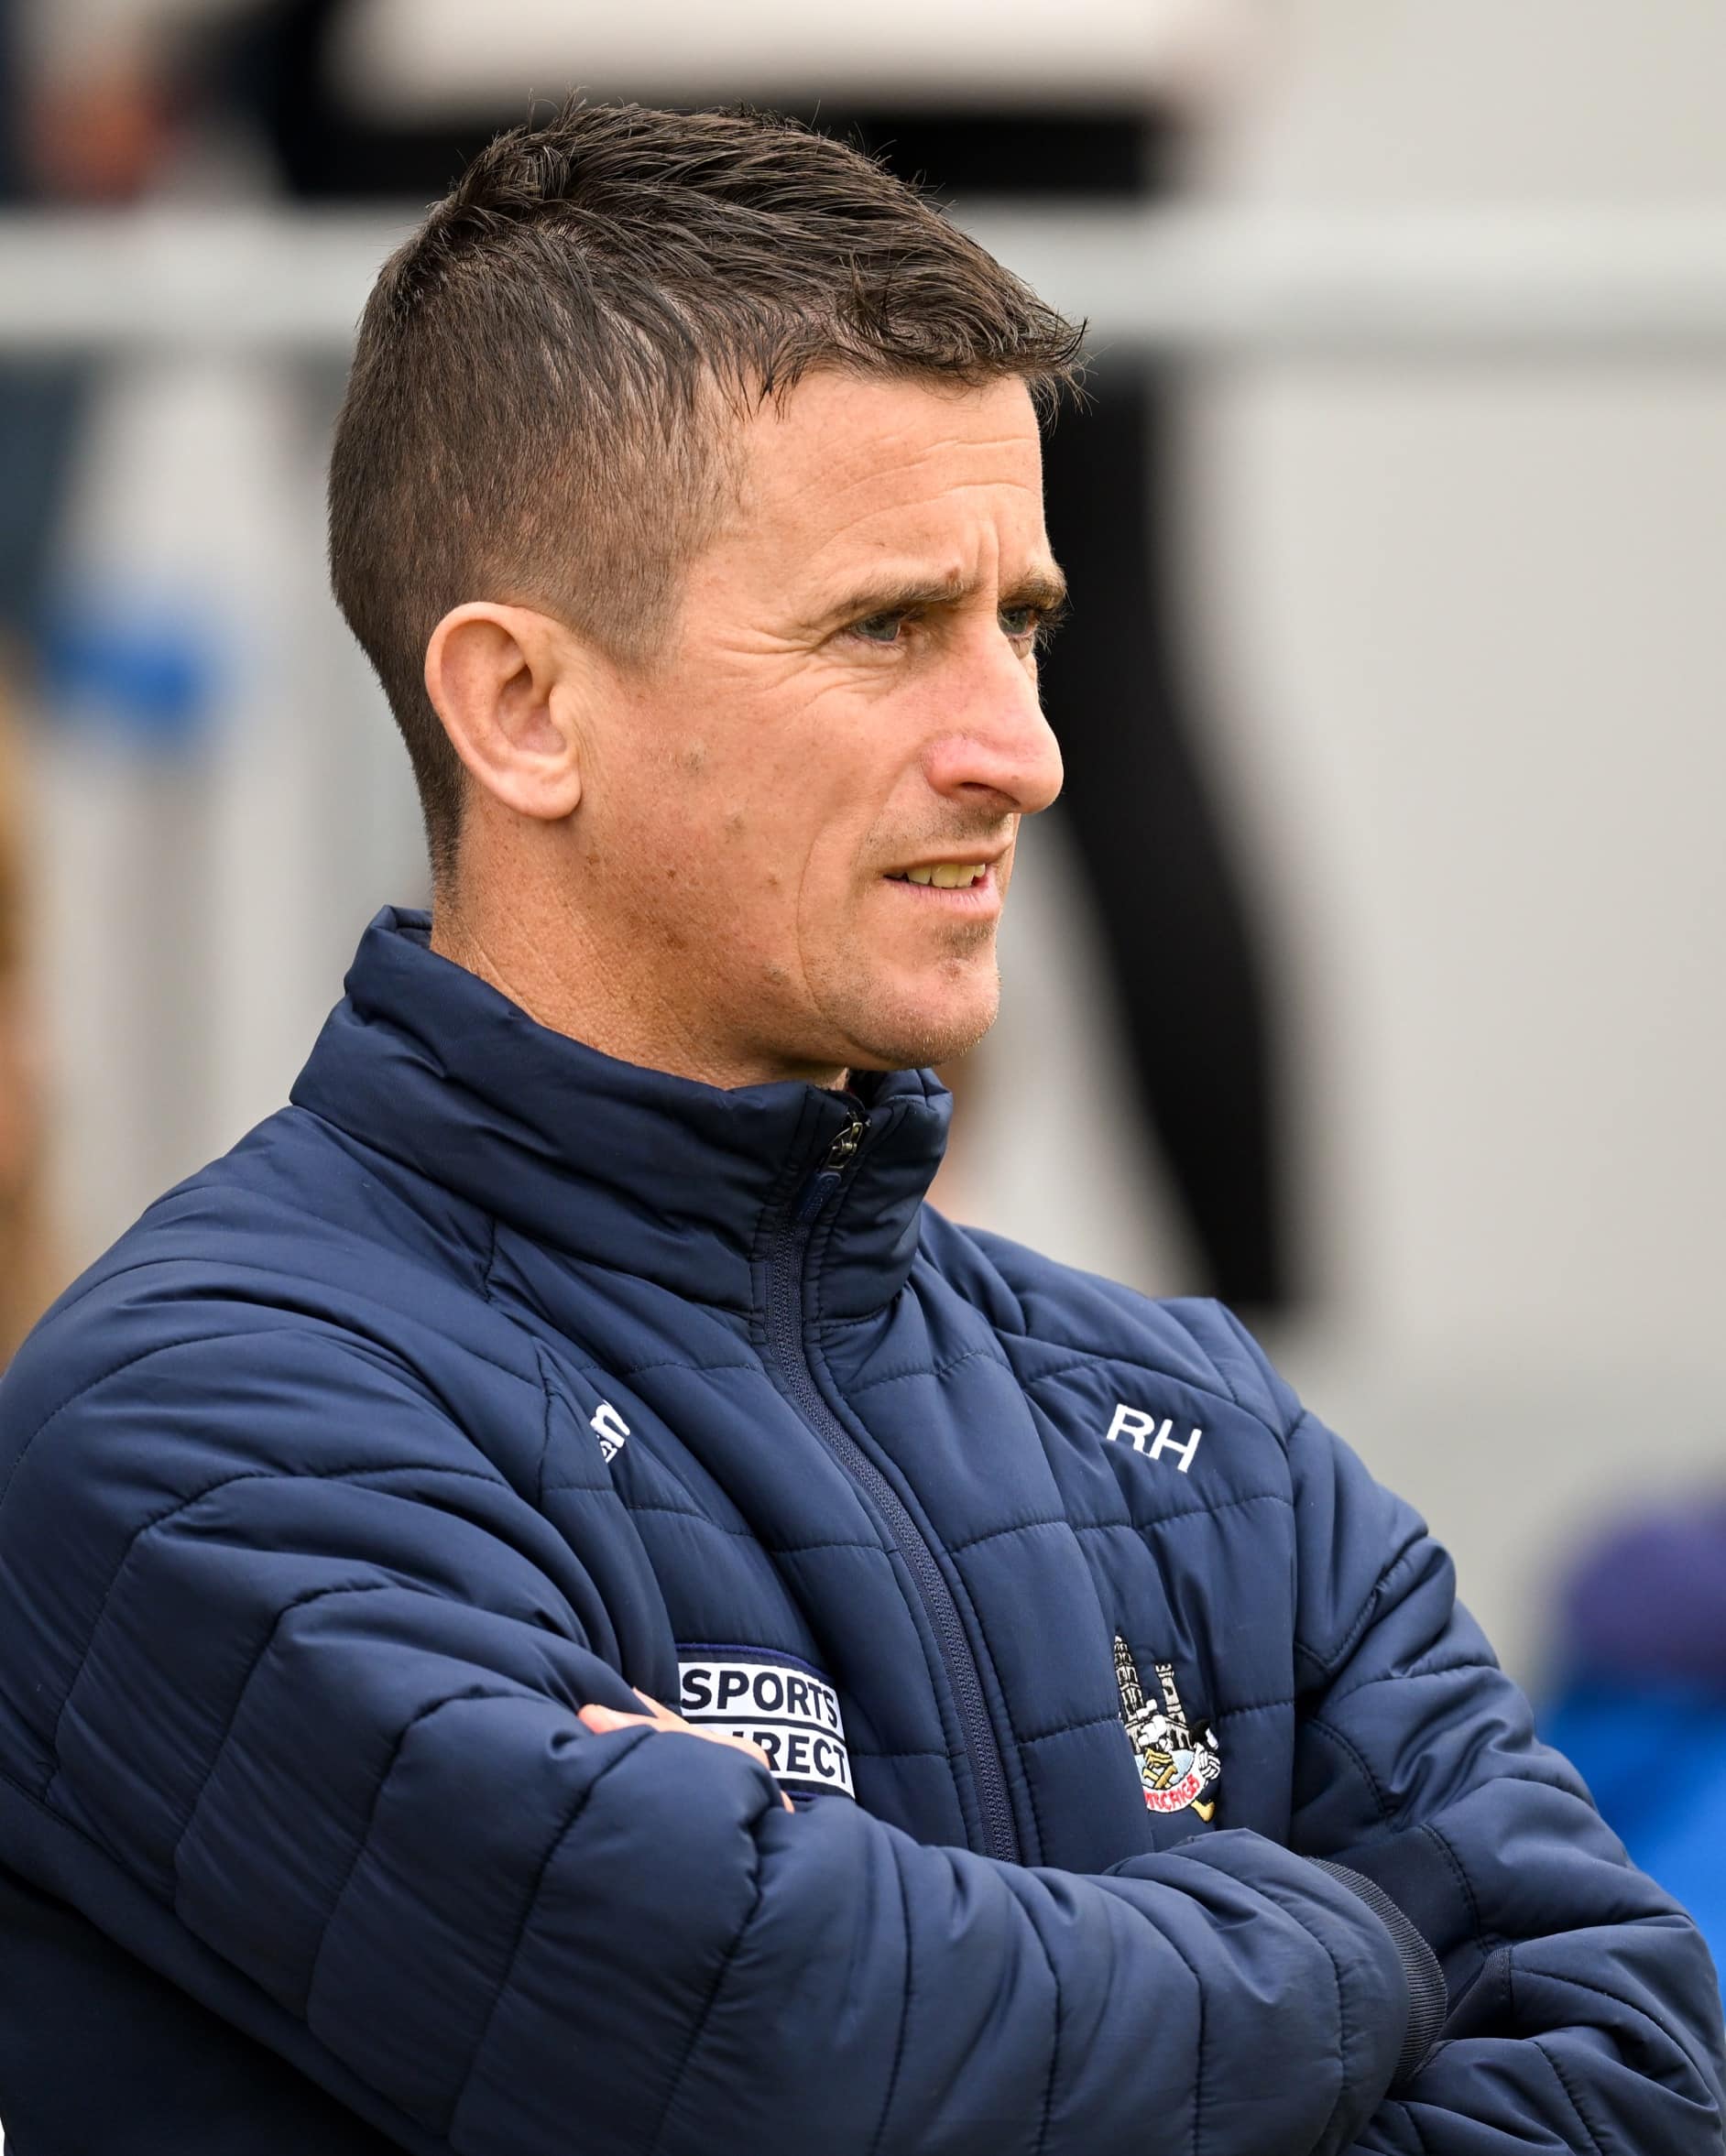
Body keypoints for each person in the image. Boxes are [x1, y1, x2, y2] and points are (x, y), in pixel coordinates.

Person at [0, 100, 1718, 2154]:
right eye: (889, 627)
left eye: (1027, 624)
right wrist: (1357, 1943)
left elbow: (1634, 2074)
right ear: (523, 707)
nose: (1024, 751)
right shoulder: (199, 1428)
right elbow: (793, 2065)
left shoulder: (1199, 1433)